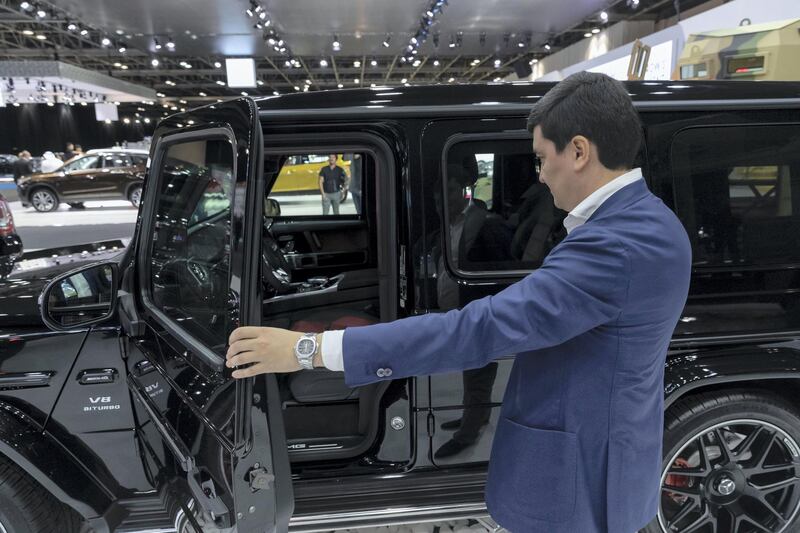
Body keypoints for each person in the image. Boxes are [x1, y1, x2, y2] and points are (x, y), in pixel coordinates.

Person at [225, 72, 693, 533]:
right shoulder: (646, 221)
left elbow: (481, 329)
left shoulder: (616, 244)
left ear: (577, 151)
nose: (541, 176)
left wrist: (307, 350)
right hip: (595, 457)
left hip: (580, 481)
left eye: (540, 159)